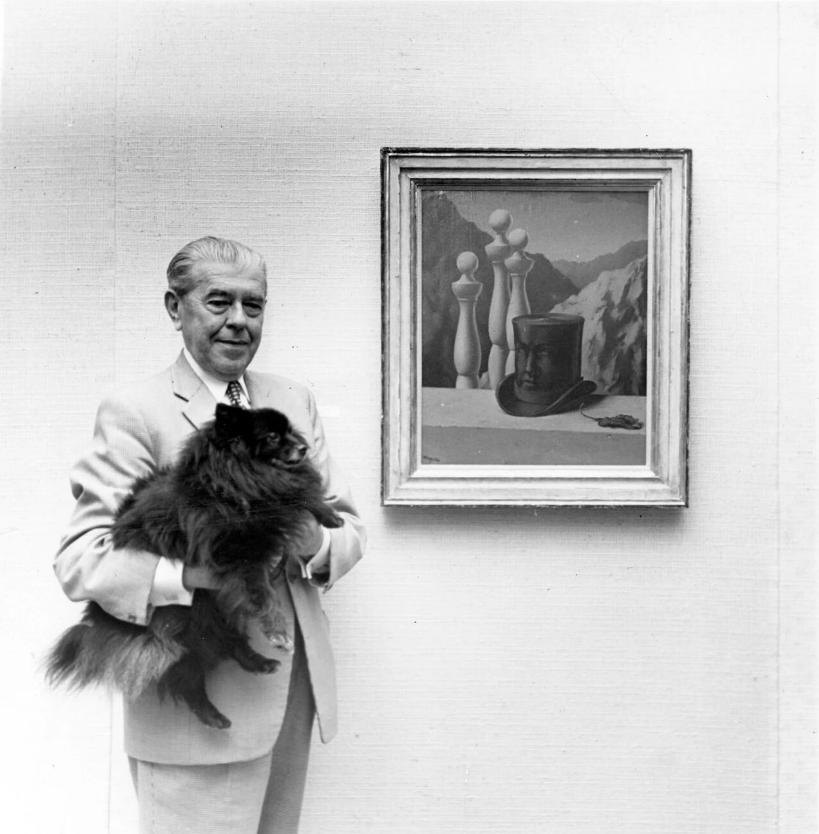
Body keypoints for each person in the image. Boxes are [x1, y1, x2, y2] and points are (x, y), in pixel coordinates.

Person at [53, 236, 366, 833]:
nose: (239, 320)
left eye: (254, 305)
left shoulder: (293, 398)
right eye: (219, 302)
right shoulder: (135, 409)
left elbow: (346, 528)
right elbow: (81, 560)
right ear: (176, 308)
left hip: (291, 691)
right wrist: (199, 573)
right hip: (194, 707)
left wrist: (311, 541)